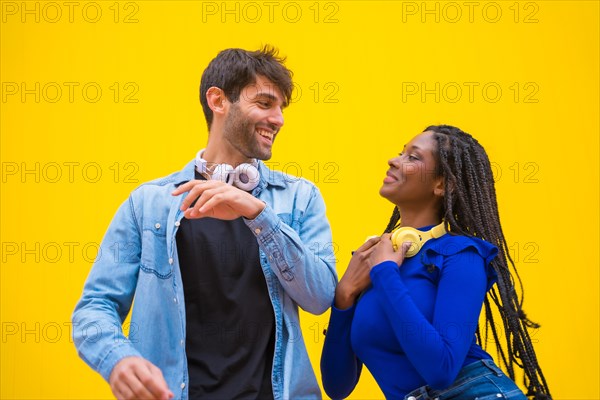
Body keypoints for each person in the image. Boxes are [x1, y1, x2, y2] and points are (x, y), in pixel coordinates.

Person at [72, 46, 337, 400]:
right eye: (264, 103)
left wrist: (259, 215)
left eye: (281, 108)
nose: (278, 119)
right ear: (218, 100)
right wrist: (116, 360)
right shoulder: (149, 204)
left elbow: (320, 297)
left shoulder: (300, 198)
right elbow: (94, 308)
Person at [320, 125, 551, 399]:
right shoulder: (374, 264)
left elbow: (441, 370)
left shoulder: (460, 254)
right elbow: (337, 386)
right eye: (400, 153)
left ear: (442, 185)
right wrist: (345, 295)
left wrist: (385, 274)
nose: (393, 161)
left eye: (413, 157)